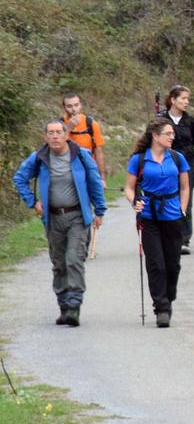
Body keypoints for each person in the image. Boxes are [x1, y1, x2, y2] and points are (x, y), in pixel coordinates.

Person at [11, 119, 106, 326]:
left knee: (74, 259)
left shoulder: (80, 155)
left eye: (58, 132)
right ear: (45, 136)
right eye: (50, 133)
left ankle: (74, 305)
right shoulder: (39, 157)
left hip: (77, 217)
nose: (54, 136)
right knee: (59, 263)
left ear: (66, 135)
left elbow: (94, 181)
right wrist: (32, 201)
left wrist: (99, 210)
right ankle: (63, 305)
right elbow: (19, 178)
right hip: (53, 217)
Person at [123, 118, 190, 328]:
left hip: (172, 215)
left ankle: (168, 298)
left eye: (172, 134)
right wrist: (135, 202)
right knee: (155, 264)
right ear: (155, 136)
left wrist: (183, 209)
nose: (172, 137)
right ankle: (161, 308)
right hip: (149, 217)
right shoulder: (139, 160)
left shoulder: (178, 158)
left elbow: (185, 187)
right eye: (168, 133)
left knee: (173, 265)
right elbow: (129, 187)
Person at [160, 86, 194, 254]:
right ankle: (167, 236)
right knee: (166, 200)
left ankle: (184, 239)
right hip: (166, 166)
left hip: (187, 165)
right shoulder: (161, 120)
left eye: (187, 99)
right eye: (183, 98)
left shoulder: (190, 121)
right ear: (173, 100)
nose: (186, 102)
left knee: (185, 201)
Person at [62, 93, 106, 179]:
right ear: (64, 107)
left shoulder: (91, 124)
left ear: (80, 105)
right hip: (66, 170)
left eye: (76, 105)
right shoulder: (59, 124)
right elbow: (54, 145)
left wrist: (102, 177)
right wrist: (68, 128)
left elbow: (98, 152)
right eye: (69, 106)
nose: (73, 109)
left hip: (88, 168)